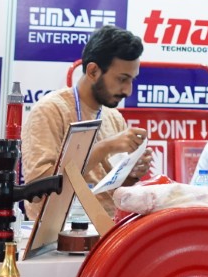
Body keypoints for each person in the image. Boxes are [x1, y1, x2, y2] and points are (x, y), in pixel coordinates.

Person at [21, 25, 151, 220]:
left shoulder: (114, 117)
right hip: (57, 234)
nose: (128, 90)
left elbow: (115, 188)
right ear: (93, 71)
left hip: (108, 230)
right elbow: (37, 190)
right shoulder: (50, 110)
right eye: (122, 79)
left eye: (132, 80)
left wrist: (132, 173)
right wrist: (105, 148)